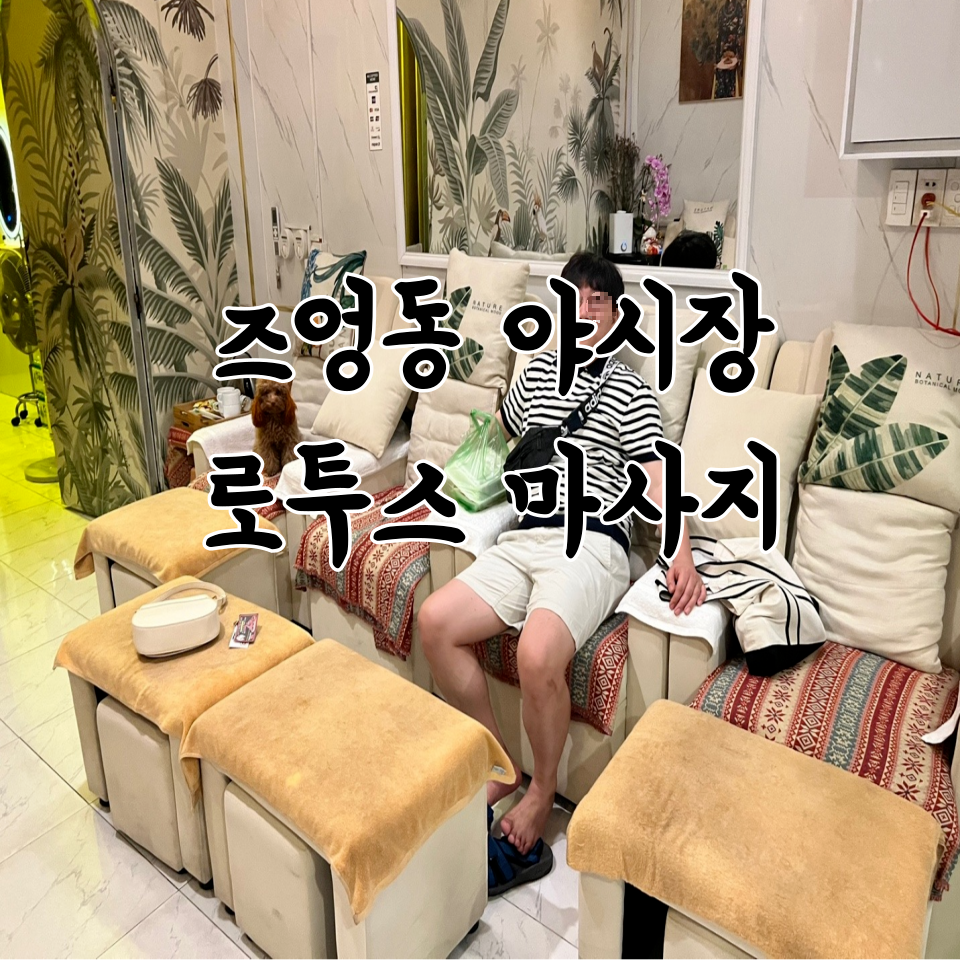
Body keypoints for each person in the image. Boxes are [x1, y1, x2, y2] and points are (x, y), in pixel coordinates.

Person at [418, 253, 706, 865]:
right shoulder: (536, 373)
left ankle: (542, 790)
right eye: (575, 299)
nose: (586, 311)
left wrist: (679, 549)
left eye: (598, 301)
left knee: (536, 653)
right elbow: (497, 437)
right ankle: (501, 762)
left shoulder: (630, 389)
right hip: (525, 535)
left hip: (592, 541)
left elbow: (656, 476)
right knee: (436, 622)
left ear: (616, 315)